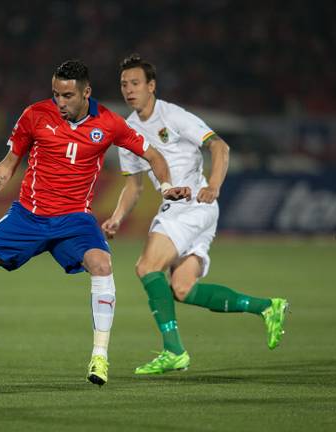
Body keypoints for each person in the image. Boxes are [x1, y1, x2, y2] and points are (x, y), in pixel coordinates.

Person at [0, 59, 190, 386]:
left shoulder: (110, 123)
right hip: (29, 216)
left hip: (74, 219)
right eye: (56, 94)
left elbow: (154, 156)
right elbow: (7, 165)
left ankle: (100, 356)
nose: (60, 102)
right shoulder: (34, 115)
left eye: (68, 96)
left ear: (86, 92)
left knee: (102, 265)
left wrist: (167, 188)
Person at [101, 54, 289, 375]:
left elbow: (220, 147)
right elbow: (134, 186)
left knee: (147, 267)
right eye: (123, 85)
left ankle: (174, 351)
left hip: (191, 205)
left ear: (151, 86)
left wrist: (214, 184)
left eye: (135, 83)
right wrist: (118, 217)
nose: (129, 90)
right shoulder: (127, 133)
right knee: (182, 289)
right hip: (188, 211)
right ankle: (267, 307)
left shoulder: (172, 115)